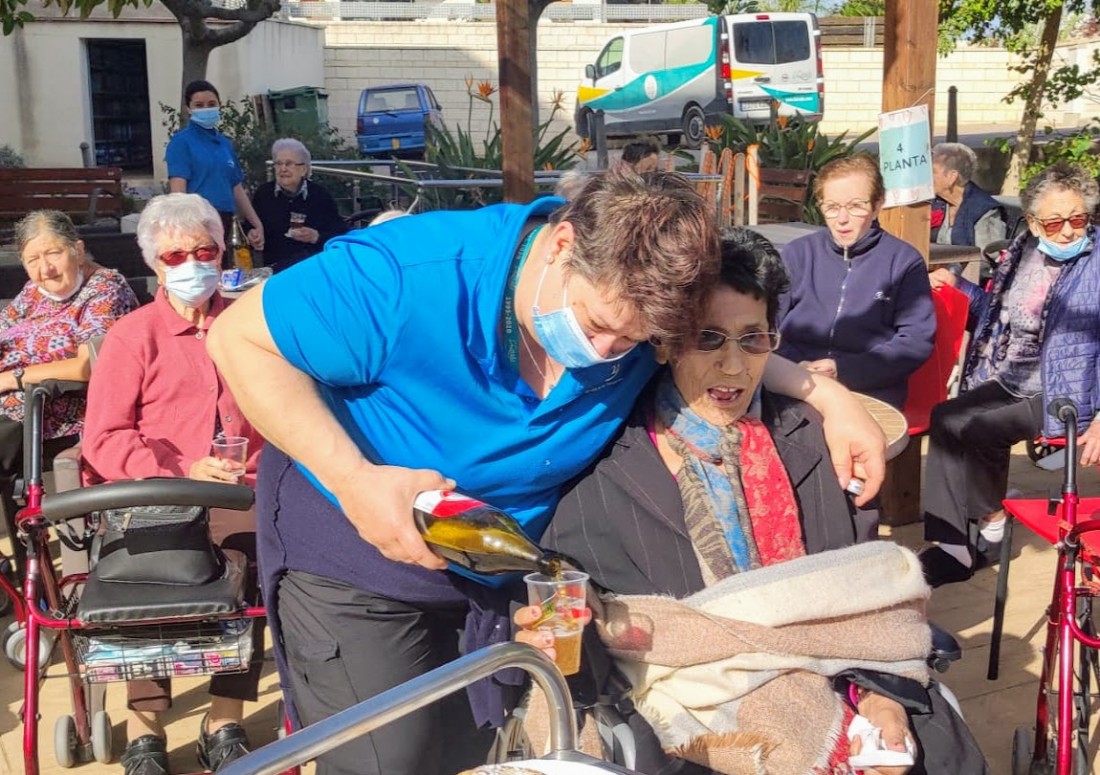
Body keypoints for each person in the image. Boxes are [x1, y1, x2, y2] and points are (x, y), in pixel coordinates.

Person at [206, 168, 888, 775]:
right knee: (390, 757)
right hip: (359, 550)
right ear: (563, 245)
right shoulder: (409, 274)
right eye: (597, 323)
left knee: (481, 749)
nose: (607, 351)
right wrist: (354, 479)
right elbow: (239, 339)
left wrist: (826, 395)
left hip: (497, 566)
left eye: (636, 340)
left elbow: (725, 347)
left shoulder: (643, 318)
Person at [520, 228, 988, 775]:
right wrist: (557, 638)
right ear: (665, 342)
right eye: (708, 338)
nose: (734, 366)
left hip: (837, 694)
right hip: (680, 725)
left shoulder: (816, 443)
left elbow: (868, 605)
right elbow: (585, 624)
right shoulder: (600, 463)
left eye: (753, 339)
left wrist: (880, 701)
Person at [81, 194, 266, 775]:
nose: (192, 264)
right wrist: (183, 467)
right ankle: (146, 729)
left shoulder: (246, 324)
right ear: (155, 266)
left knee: (255, 559)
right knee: (150, 580)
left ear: (221, 254)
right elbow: (103, 437)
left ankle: (224, 718)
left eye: (203, 251)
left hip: (241, 486)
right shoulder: (133, 335)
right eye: (175, 255)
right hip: (159, 491)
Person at [920, 162, 1100, 587]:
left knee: (983, 430)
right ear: (1033, 223)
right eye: (1054, 222)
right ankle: (952, 544)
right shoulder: (1025, 251)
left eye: (1077, 219)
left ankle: (993, 522)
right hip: (1011, 375)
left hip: (1068, 392)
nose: (1068, 231)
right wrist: (960, 288)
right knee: (945, 417)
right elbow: (997, 314)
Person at [0, 210, 137, 580]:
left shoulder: (105, 289)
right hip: (19, 410)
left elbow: (88, 366)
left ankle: (27, 579)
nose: (45, 269)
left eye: (53, 253)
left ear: (77, 249)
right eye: (32, 259)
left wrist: (13, 377)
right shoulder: (32, 295)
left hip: (63, 412)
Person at [777, 153, 935, 411]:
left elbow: (915, 340)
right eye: (831, 207)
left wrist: (843, 369)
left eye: (855, 206)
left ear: (877, 205)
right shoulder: (798, 254)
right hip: (793, 379)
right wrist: (793, 364)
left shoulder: (903, 262)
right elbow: (766, 325)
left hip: (868, 389)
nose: (842, 219)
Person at [166, 79, 265, 258]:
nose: (206, 109)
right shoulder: (181, 142)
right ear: (188, 109)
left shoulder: (224, 143)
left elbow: (236, 186)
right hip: (198, 221)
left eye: (211, 104)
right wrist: (184, 228)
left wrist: (256, 223)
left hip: (226, 219)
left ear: (219, 105)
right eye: (199, 105)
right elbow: (178, 190)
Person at [250, 138, 347, 273]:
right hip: (275, 269)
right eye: (278, 164)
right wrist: (252, 234)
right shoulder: (264, 194)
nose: (283, 169)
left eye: (289, 164)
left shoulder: (319, 195)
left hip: (312, 267)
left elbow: (340, 232)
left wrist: (316, 237)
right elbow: (249, 226)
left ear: (303, 169)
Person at [930, 143, 1007, 252]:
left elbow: (988, 256)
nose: (926, 177)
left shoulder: (984, 210)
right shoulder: (934, 202)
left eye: (933, 172)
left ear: (952, 176)